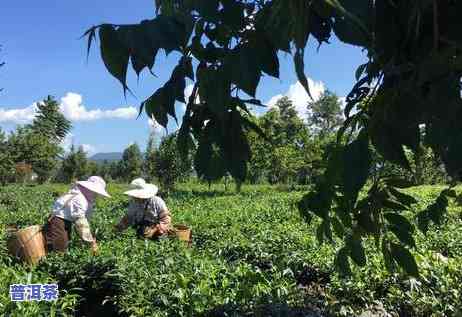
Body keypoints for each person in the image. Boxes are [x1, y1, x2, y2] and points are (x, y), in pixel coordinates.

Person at [44, 176, 111, 254]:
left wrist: (88, 237)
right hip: (58, 220)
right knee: (59, 246)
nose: (96, 195)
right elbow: (81, 224)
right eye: (95, 192)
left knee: (63, 242)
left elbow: (83, 222)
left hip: (65, 221)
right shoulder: (80, 199)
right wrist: (91, 242)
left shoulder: (82, 197)